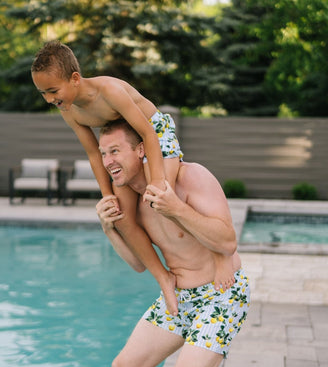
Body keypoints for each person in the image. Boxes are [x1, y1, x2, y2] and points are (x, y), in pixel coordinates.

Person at [95, 119, 250, 367]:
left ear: (140, 150)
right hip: (179, 296)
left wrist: (176, 208)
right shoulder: (129, 196)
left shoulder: (192, 177)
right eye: (103, 152)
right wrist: (110, 229)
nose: (108, 160)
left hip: (221, 293)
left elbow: (227, 239)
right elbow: (137, 265)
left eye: (115, 150)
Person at [31, 41, 235, 317]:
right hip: (134, 145)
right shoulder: (69, 110)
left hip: (156, 135)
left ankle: (221, 256)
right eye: (43, 92)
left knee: (163, 200)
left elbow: (149, 134)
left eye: (52, 91)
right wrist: (108, 195)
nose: (48, 99)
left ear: (75, 79)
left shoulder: (110, 91)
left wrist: (158, 182)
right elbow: (93, 153)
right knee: (121, 215)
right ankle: (164, 277)